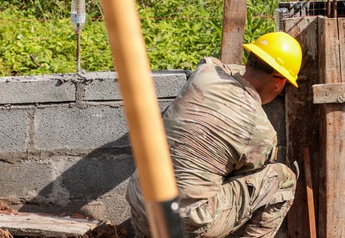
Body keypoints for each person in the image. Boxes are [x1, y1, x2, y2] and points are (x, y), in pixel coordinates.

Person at [126, 32, 302, 238]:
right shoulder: (261, 131)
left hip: (141, 204)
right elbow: (246, 175)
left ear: (248, 62)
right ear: (280, 83)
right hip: (185, 224)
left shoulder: (205, 73)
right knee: (282, 178)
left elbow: (217, 64)